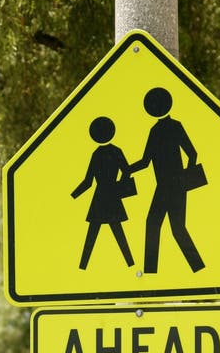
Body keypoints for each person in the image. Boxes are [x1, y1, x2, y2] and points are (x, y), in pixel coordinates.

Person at [130, 87, 205, 273]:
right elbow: (192, 154)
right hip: (171, 186)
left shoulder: (158, 130)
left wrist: (127, 170)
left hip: (169, 186)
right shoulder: (169, 127)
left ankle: (154, 271)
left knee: (162, 226)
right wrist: (184, 178)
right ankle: (194, 268)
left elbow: (145, 162)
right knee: (169, 227)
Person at [71, 116, 135, 271]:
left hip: (100, 197)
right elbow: (127, 171)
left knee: (94, 232)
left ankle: (83, 266)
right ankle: (130, 264)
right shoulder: (116, 151)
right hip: (112, 195)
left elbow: (88, 182)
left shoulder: (97, 154)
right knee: (116, 230)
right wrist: (118, 187)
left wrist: (73, 195)